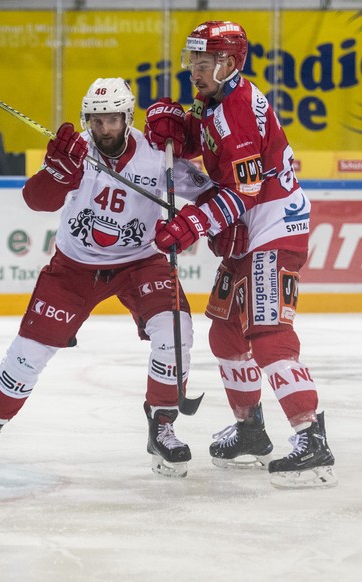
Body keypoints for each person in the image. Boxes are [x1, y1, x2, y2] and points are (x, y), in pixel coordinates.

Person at [0, 78, 214, 478]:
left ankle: (163, 425)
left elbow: (208, 194)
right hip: (75, 268)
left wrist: (196, 223)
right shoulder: (76, 152)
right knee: (28, 351)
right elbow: (36, 200)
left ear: (127, 117)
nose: (105, 130)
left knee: (176, 329)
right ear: (88, 119)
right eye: (97, 121)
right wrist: (56, 172)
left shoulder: (158, 155)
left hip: (141, 263)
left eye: (113, 120)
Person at [144, 20, 336, 489]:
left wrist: (193, 223)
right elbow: (212, 145)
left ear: (229, 63)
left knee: (267, 333)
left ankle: (311, 436)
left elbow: (245, 188)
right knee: (227, 333)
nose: (193, 69)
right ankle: (251, 430)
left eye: (202, 62)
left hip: (272, 230)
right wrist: (182, 129)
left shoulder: (237, 110)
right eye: (191, 60)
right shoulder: (216, 102)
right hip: (251, 230)